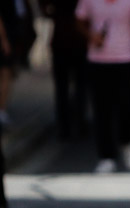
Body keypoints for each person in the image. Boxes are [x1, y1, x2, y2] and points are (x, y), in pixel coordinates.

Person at [75, 0, 130, 174]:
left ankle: (127, 143)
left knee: (127, 106)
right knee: (101, 109)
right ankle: (106, 156)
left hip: (125, 59)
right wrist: (91, 35)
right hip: (98, 62)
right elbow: (79, 21)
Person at [39, 0, 89, 139]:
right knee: (78, 86)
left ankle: (66, 125)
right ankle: (77, 122)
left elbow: (44, 8)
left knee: (64, 88)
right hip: (74, 43)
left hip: (65, 42)